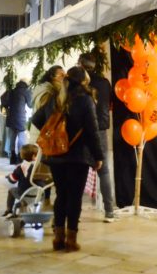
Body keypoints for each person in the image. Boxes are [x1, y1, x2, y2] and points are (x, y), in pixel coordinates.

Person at [32, 66, 104, 252]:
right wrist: (98, 156)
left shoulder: (56, 98)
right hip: (78, 156)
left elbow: (36, 119)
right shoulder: (86, 100)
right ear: (84, 82)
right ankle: (71, 240)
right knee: (74, 198)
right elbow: (92, 132)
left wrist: (53, 133)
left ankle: (58, 239)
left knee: (61, 195)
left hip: (57, 156)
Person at [78, 52, 118, 223]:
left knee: (78, 170)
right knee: (104, 172)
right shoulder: (105, 83)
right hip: (101, 129)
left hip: (82, 130)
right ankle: (109, 211)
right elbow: (110, 105)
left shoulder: (79, 83)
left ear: (81, 64)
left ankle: (75, 211)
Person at [2, 143, 39, 217]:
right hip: (38, 194)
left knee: (11, 190)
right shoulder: (38, 167)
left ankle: (9, 210)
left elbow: (13, 180)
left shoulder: (20, 167)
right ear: (34, 156)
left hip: (24, 193)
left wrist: (9, 177)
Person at [3, 78, 32, 164]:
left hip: (11, 116)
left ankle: (12, 156)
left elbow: (6, 103)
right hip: (20, 117)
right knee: (21, 137)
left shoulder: (12, 91)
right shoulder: (26, 91)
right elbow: (30, 105)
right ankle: (20, 156)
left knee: (12, 137)